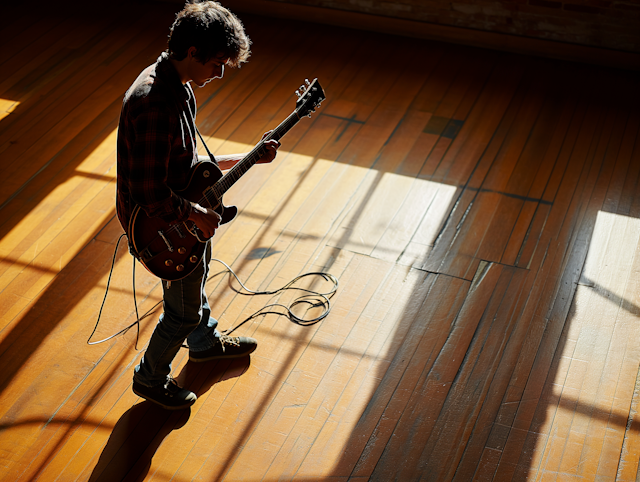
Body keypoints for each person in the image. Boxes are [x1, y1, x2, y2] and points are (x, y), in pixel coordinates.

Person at [116, 1, 279, 410]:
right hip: (160, 222)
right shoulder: (154, 102)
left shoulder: (179, 84)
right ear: (193, 52)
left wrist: (246, 157)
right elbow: (151, 194)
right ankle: (150, 377)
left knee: (195, 273)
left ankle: (204, 343)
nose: (220, 74)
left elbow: (185, 163)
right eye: (218, 64)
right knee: (182, 311)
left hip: (182, 207)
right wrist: (197, 214)